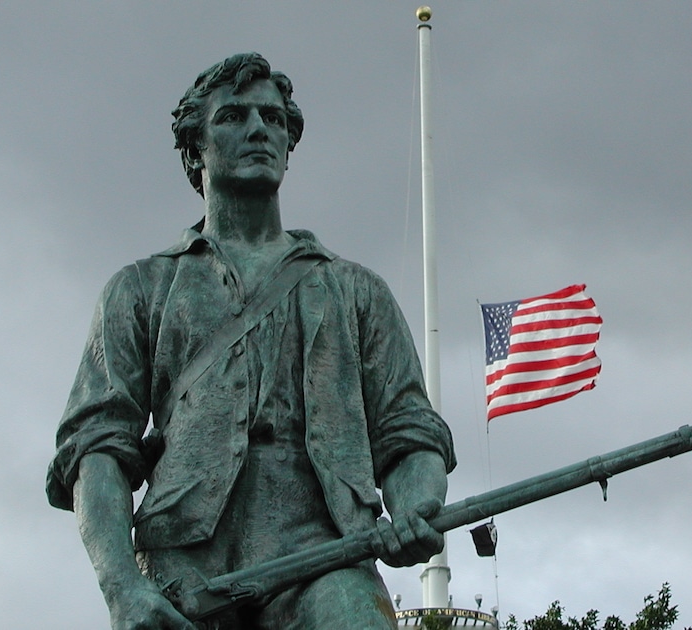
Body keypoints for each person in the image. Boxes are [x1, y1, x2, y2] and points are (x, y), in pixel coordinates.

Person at [46, 52, 455, 629]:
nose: (259, 128)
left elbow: (408, 431)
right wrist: (122, 588)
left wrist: (416, 506)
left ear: (290, 144)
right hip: (183, 569)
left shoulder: (357, 290)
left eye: (272, 118)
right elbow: (96, 448)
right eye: (233, 116)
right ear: (195, 149)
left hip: (325, 556)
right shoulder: (141, 288)